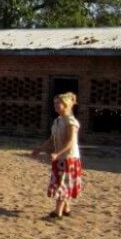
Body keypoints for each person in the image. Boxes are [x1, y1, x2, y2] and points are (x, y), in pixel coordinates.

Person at [32, 92, 83, 220]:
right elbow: (52, 139)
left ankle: (57, 213)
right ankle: (66, 209)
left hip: (69, 158)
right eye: (54, 103)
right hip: (60, 158)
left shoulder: (71, 122)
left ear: (66, 105)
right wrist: (41, 148)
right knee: (61, 183)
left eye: (58, 103)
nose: (55, 105)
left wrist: (57, 153)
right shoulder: (57, 121)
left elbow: (70, 142)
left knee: (63, 185)